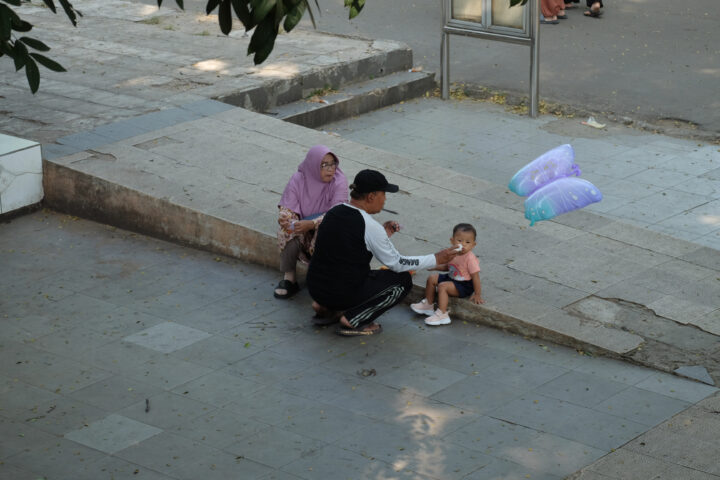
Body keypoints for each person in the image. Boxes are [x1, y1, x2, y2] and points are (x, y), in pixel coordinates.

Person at [307, 169, 460, 336]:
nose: (385, 199)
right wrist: (436, 258)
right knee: (402, 281)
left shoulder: (334, 211)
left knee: (344, 272)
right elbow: (398, 264)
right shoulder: (369, 226)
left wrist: (383, 234)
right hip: (340, 292)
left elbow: (347, 245)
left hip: (316, 288)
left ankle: (324, 307)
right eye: (383, 194)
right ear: (371, 196)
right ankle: (354, 320)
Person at [274, 145, 348, 299]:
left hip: (327, 225)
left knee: (328, 232)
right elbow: (288, 206)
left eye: (333, 163)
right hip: (303, 225)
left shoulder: (339, 181)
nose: (330, 169)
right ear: (313, 165)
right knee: (286, 230)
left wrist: (313, 224)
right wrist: (285, 218)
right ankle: (289, 278)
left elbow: (337, 213)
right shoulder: (299, 178)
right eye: (324, 165)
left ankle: (321, 279)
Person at [410, 223, 483, 326]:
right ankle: (428, 305)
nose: (463, 245)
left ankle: (442, 314)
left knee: (442, 286)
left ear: (473, 245)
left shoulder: (470, 258)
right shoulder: (452, 253)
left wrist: (477, 294)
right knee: (432, 278)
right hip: (451, 278)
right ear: (452, 240)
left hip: (464, 285)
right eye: (459, 240)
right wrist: (435, 266)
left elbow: (475, 277)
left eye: (467, 242)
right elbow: (448, 267)